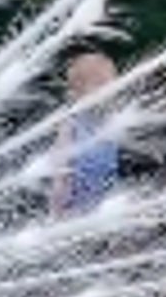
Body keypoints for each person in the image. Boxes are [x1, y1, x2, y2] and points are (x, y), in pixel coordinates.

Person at [50, 48, 120, 216]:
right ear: (80, 92)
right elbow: (60, 161)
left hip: (104, 195)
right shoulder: (71, 123)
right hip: (74, 200)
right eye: (103, 85)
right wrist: (58, 200)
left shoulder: (110, 121)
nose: (112, 91)